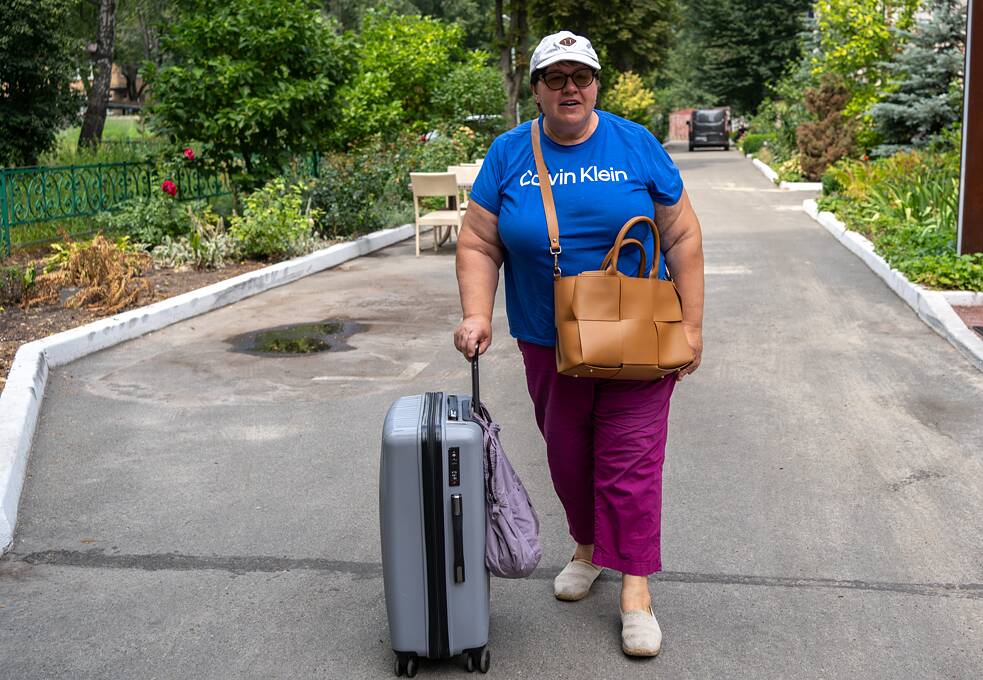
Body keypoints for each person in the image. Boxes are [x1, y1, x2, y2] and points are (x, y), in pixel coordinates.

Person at [453, 30, 705, 658]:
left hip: (639, 335)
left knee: (631, 462)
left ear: (597, 84)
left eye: (582, 76)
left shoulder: (635, 144)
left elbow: (682, 237)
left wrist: (693, 326)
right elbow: (480, 242)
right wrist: (476, 314)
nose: (571, 88)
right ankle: (589, 548)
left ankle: (636, 589)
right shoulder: (510, 152)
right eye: (556, 77)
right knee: (568, 458)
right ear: (536, 89)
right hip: (548, 340)